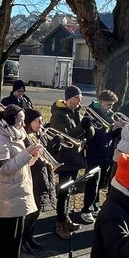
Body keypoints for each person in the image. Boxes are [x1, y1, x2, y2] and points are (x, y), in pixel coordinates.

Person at [0, 104, 40, 258]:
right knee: (6, 233)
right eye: (20, 121)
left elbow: (21, 163)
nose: (23, 124)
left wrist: (33, 156)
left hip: (18, 188)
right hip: (6, 192)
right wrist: (27, 153)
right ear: (10, 120)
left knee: (18, 229)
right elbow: (6, 168)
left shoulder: (14, 134)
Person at [48, 85, 97, 238]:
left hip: (75, 158)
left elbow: (88, 134)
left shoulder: (76, 112)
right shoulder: (58, 114)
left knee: (69, 191)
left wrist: (89, 127)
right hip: (64, 159)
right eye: (76, 98)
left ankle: (66, 218)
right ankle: (60, 223)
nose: (78, 102)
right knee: (63, 192)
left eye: (80, 99)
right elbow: (64, 137)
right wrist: (81, 127)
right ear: (67, 98)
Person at [22, 109, 55, 251]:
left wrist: (54, 143)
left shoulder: (39, 134)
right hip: (33, 177)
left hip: (44, 174)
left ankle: (29, 236)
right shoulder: (25, 137)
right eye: (38, 121)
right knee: (30, 211)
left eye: (42, 121)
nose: (41, 124)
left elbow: (48, 153)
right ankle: (23, 239)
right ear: (29, 122)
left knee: (37, 210)